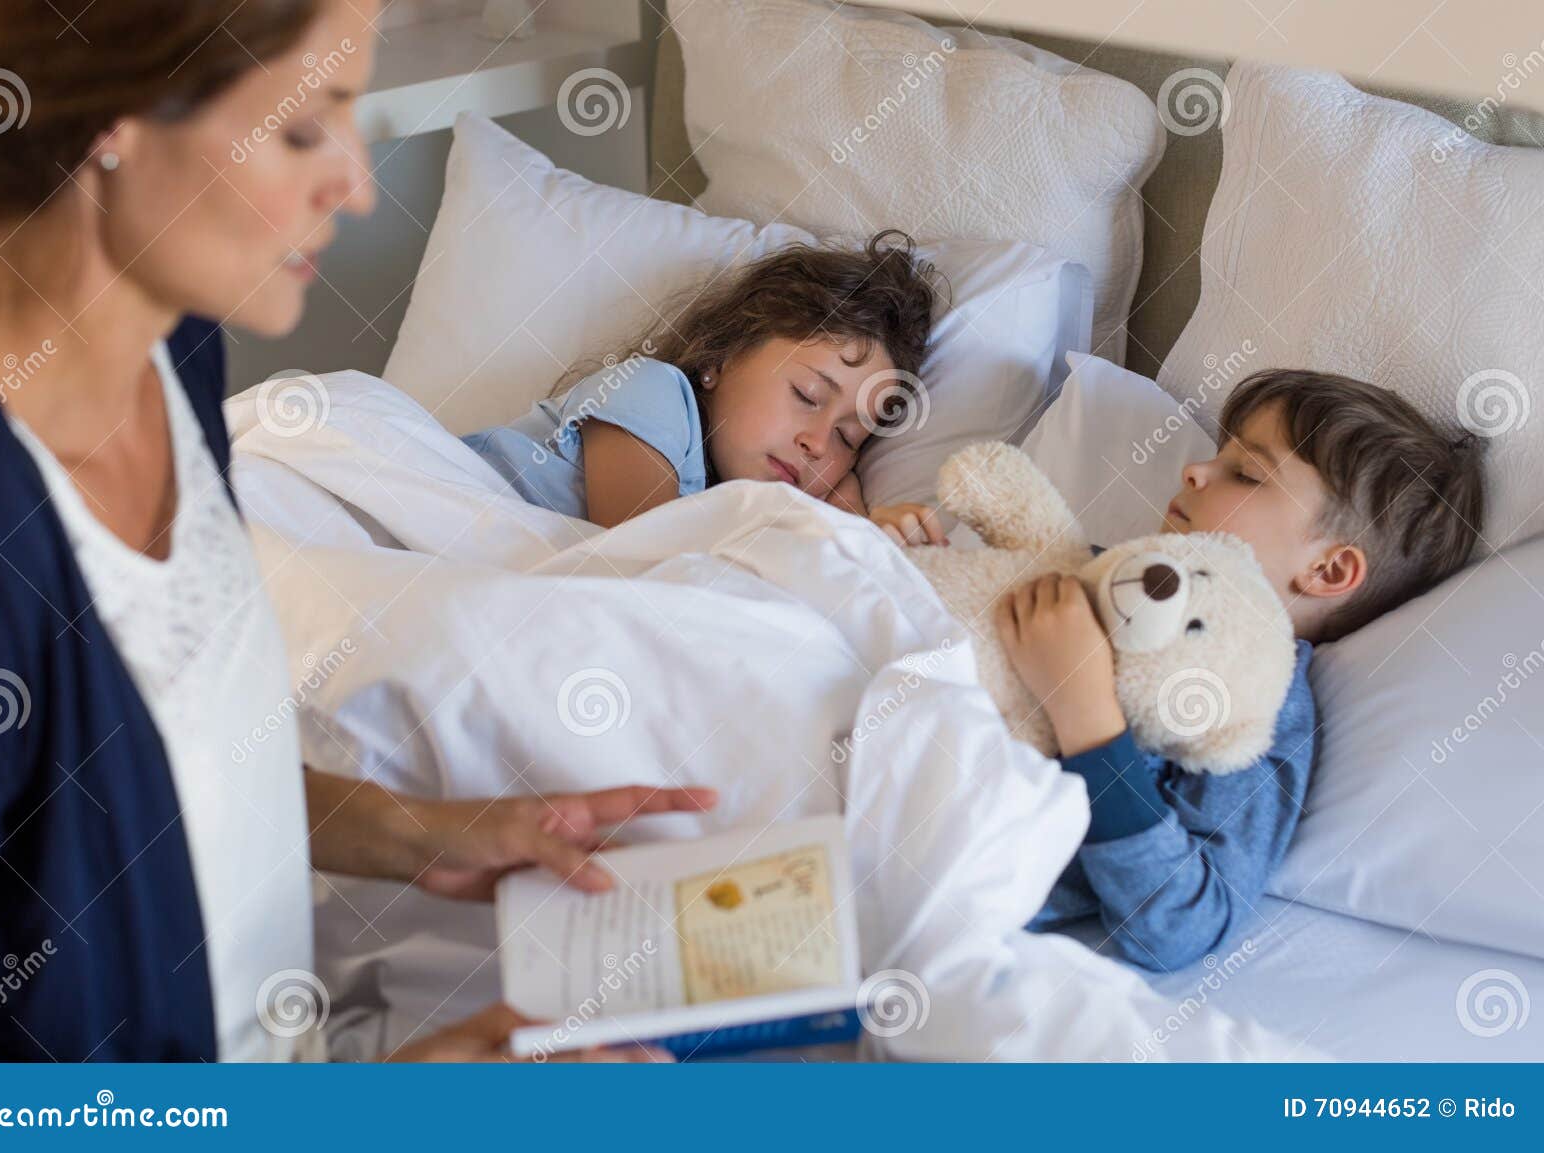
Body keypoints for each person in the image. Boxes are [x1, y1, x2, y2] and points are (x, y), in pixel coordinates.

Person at [0, 0, 712, 1062]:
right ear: (110, 121)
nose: (355, 183)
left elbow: (145, 787)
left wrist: (418, 832)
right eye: (305, 127)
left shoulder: (173, 350)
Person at [888, 369, 1485, 970]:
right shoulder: (1100, 572)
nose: (1194, 472)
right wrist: (892, 561)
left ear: (1328, 571)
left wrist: (1086, 715)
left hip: (907, 847)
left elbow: (1180, 925)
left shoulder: (1260, 707)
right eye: (1216, 457)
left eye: (1247, 473)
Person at [462, 231, 949, 532]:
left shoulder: (732, 500)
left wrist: (850, 516)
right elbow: (644, 574)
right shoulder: (651, 396)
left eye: (848, 438)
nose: (818, 443)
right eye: (807, 395)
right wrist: (828, 525)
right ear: (723, 354)